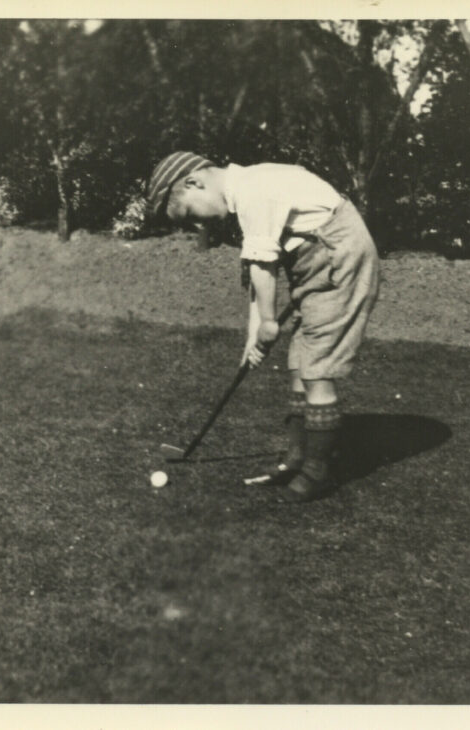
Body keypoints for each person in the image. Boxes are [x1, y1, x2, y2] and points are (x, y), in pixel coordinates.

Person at [147, 152, 380, 502]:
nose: (198, 225)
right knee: (299, 364)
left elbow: (263, 265)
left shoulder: (254, 191)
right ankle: (297, 458)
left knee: (316, 367)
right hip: (314, 263)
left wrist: (269, 323)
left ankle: (317, 472)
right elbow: (258, 270)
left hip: (339, 259)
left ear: (195, 182)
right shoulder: (247, 187)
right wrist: (253, 335)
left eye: (191, 215)